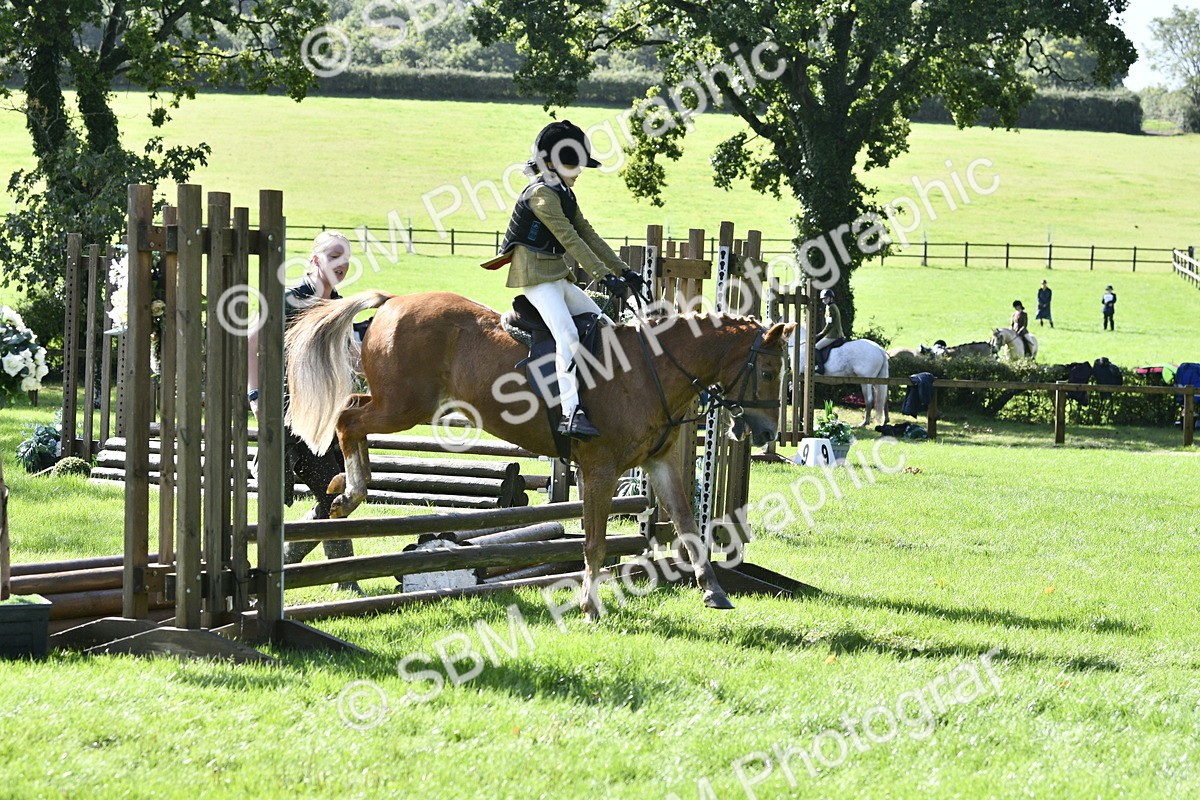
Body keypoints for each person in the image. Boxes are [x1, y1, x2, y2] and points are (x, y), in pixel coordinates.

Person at [492, 120, 640, 439]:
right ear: (548, 163)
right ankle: (571, 413)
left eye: (579, 164)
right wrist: (603, 277)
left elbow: (588, 233)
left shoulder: (563, 192)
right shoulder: (542, 195)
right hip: (534, 277)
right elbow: (570, 239)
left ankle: (600, 394)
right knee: (568, 335)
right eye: (572, 164)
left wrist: (622, 270)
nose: (579, 171)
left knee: (602, 325)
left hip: (556, 275)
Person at [247, 231, 363, 594]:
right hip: (290, 414)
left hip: (330, 415)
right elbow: (250, 342)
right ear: (314, 260)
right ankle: (344, 582)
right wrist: (255, 394)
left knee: (340, 493)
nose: (341, 263)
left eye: (345, 257)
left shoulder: (341, 306)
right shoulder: (287, 301)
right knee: (334, 493)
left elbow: (353, 358)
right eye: (333, 255)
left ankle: (278, 568)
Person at [813, 288, 843, 374]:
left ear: (831, 298)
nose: (824, 300)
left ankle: (820, 368)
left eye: (826, 298)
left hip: (833, 334)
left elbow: (830, 324)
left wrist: (821, 334)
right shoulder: (831, 306)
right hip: (834, 333)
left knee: (816, 347)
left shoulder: (831, 308)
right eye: (823, 299)